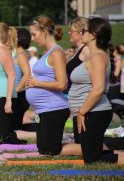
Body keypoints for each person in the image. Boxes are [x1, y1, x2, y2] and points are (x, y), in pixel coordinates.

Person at [69, 17, 124, 165]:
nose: (81, 33)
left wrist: (82, 112)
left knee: (92, 159)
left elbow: (98, 89)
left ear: (92, 35)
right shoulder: (93, 56)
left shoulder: (98, 57)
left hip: (95, 112)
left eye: (84, 31)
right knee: (91, 154)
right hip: (90, 112)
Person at [25, 15, 69, 156]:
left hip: (54, 108)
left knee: (51, 150)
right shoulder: (46, 53)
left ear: (44, 31)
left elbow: (62, 84)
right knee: (43, 150)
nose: (33, 38)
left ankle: (93, 149)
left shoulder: (56, 52)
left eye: (34, 34)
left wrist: (36, 83)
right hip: (43, 110)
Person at [65, 17, 90, 143]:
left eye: (72, 31)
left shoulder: (86, 50)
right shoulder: (78, 51)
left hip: (84, 104)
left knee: (84, 147)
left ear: (81, 32)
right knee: (80, 144)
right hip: (77, 105)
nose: (69, 33)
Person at [12, 28, 32, 130]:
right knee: (14, 125)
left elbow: (27, 74)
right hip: (16, 94)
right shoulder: (17, 55)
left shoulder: (21, 55)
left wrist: (16, 90)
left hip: (19, 95)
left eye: (14, 36)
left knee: (15, 127)